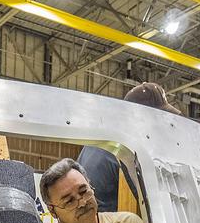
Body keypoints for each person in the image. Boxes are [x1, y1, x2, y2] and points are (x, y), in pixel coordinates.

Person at [77, 82, 181, 211]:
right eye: (157, 118)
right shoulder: (123, 149)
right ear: (141, 116)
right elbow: (146, 201)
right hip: (103, 218)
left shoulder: (106, 137)